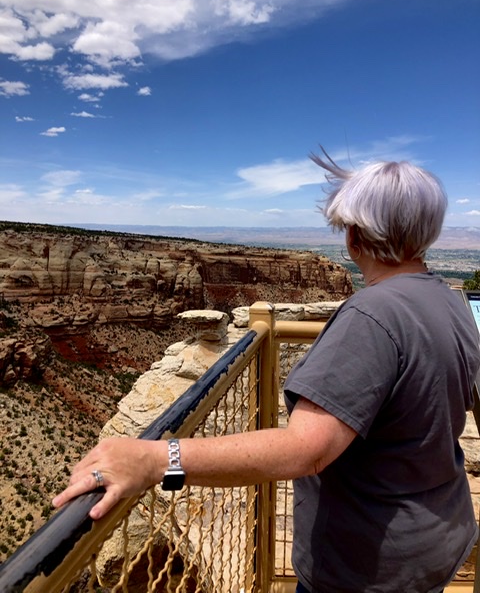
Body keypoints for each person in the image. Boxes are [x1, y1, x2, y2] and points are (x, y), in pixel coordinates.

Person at [53, 149, 480, 593]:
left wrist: (156, 460)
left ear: (354, 235)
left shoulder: (372, 315)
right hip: (436, 539)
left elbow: (306, 450)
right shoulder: (448, 300)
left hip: (370, 569)